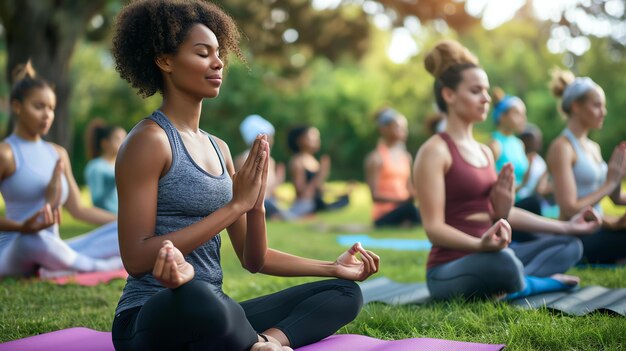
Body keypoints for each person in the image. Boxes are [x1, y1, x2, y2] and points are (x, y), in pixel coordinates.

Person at [110, 2, 379, 351]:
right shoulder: (149, 141)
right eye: (202, 53)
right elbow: (135, 257)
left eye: (219, 54)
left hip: (215, 312)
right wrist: (235, 205)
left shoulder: (219, 148)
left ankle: (265, 344)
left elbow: (255, 259)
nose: (218, 63)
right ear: (166, 61)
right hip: (151, 315)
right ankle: (248, 341)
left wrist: (329, 264)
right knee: (199, 297)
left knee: (343, 293)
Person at [413, 40, 601, 300]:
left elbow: (503, 213)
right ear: (449, 94)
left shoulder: (485, 152)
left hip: (494, 252)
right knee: (503, 262)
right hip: (451, 267)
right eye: (476, 91)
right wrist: (481, 245)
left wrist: (569, 226)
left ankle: (509, 284)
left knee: (569, 246)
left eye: (486, 91)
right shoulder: (434, 151)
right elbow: (433, 228)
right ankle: (532, 284)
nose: (486, 98)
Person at [0, 62, 121, 278]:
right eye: (39, 107)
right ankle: (101, 266)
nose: (47, 115)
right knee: (34, 240)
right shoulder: (6, 153)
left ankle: (56, 266)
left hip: (54, 245)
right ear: (17, 107)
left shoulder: (57, 153)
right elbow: (30, 234)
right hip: (14, 249)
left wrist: (125, 221)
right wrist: (22, 227)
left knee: (126, 230)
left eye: (51, 108)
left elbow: (79, 210)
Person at [546, 69, 626, 264]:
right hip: (575, 237)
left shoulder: (594, 147)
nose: (603, 112)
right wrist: (609, 183)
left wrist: (615, 182)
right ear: (576, 107)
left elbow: (615, 199)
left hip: (598, 227)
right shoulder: (562, 147)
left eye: (603, 106)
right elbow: (570, 208)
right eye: (597, 105)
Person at [488, 88, 541, 215]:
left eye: (524, 114)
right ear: (502, 116)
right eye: (518, 114)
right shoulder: (494, 145)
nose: (523, 118)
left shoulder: (519, 144)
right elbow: (491, 188)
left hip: (520, 203)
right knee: (534, 203)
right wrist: (522, 185)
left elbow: (523, 183)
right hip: (503, 209)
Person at [364, 107, 420, 228]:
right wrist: (401, 201)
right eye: (399, 127)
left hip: (404, 208)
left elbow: (409, 188)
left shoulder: (406, 157)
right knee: (410, 210)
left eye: (405, 128)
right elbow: (374, 196)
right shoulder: (376, 158)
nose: (404, 131)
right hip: (385, 214)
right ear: (384, 129)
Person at [285, 125, 352, 219]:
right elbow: (302, 194)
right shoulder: (298, 161)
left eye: (317, 137)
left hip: (317, 202)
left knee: (345, 200)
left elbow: (319, 188)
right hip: (305, 204)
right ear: (300, 140)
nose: (316, 140)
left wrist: (340, 193)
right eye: (312, 137)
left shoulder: (313, 161)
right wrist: (320, 174)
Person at [234, 114, 286, 220]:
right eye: (270, 136)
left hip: (268, 202)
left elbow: (270, 191)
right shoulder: (244, 159)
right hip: (256, 203)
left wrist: (279, 180)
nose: (272, 140)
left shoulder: (271, 160)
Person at [84, 119, 127, 213]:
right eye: (118, 138)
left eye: (125, 138)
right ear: (105, 143)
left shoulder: (124, 164)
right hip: (109, 221)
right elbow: (97, 201)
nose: (124, 142)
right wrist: (114, 181)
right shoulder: (96, 167)